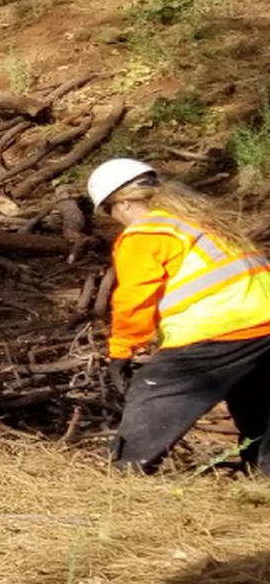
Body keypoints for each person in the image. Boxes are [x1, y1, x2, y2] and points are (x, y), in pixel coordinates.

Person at [86, 158, 270, 474]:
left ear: (123, 203)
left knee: (155, 389)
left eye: (109, 211)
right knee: (255, 395)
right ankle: (263, 472)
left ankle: (123, 471)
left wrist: (121, 351)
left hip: (221, 325)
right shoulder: (201, 223)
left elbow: (135, 298)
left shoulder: (146, 233)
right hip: (262, 323)